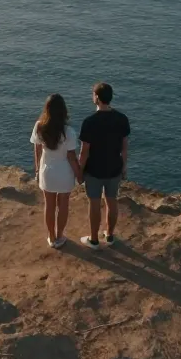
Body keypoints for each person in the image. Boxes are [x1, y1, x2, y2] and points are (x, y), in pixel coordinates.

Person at [77, 82, 130, 249]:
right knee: (111, 201)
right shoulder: (122, 118)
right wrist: (124, 167)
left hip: (94, 169)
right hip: (114, 167)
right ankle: (110, 235)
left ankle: (93, 240)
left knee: (94, 203)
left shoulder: (89, 122)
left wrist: (79, 171)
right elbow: (124, 148)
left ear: (97, 98)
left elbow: (84, 152)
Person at [30, 93, 81, 248]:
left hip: (47, 171)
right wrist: (79, 174)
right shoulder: (69, 132)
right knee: (63, 204)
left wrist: (37, 170)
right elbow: (71, 157)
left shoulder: (39, 126)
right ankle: (60, 236)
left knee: (49, 205)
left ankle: (51, 237)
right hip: (65, 172)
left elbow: (37, 150)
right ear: (63, 110)